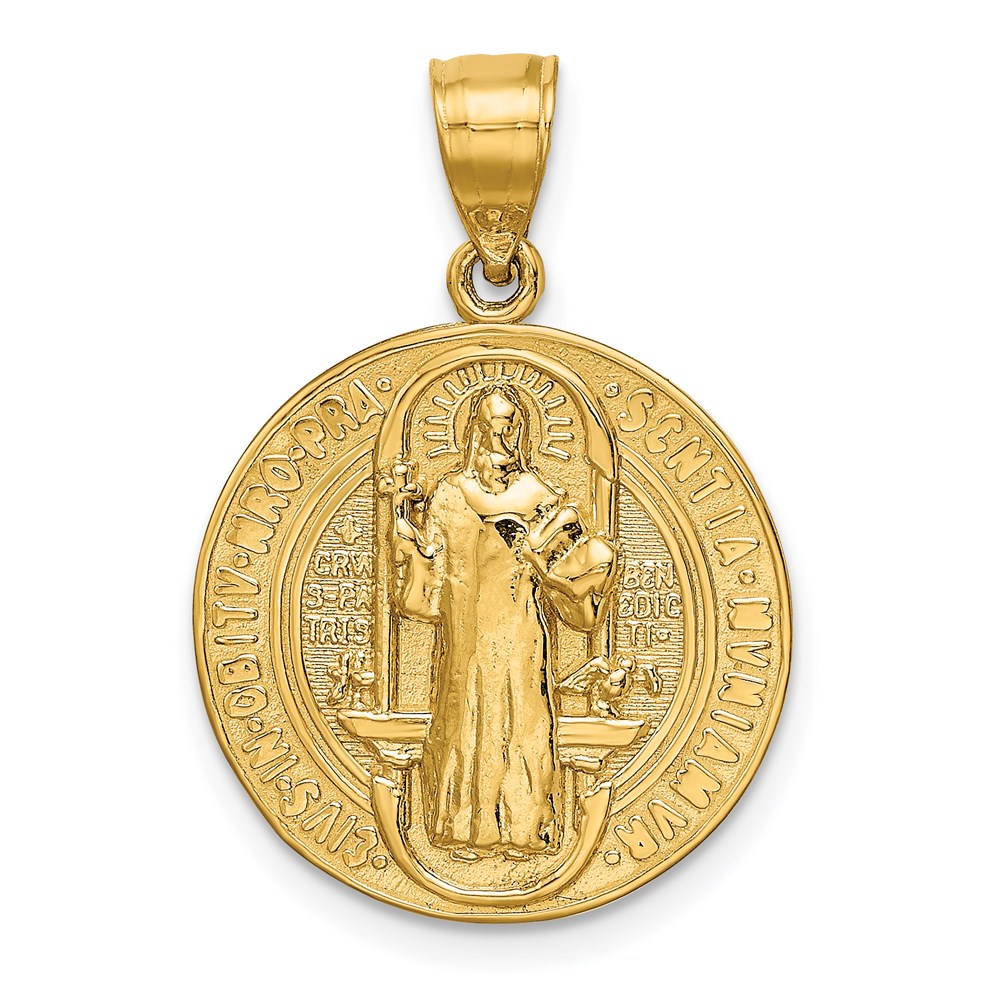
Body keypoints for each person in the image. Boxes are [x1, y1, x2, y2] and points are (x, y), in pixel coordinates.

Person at [390, 385, 616, 861]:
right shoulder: (450, 493)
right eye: (494, 423)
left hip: (521, 630)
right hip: (466, 634)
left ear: (523, 430)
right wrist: (406, 532)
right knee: (464, 722)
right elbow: (429, 581)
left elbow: (570, 568)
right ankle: (462, 829)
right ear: (474, 430)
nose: (502, 434)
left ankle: (524, 829)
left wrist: (566, 565)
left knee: (523, 722)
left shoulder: (541, 496)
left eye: (511, 424)